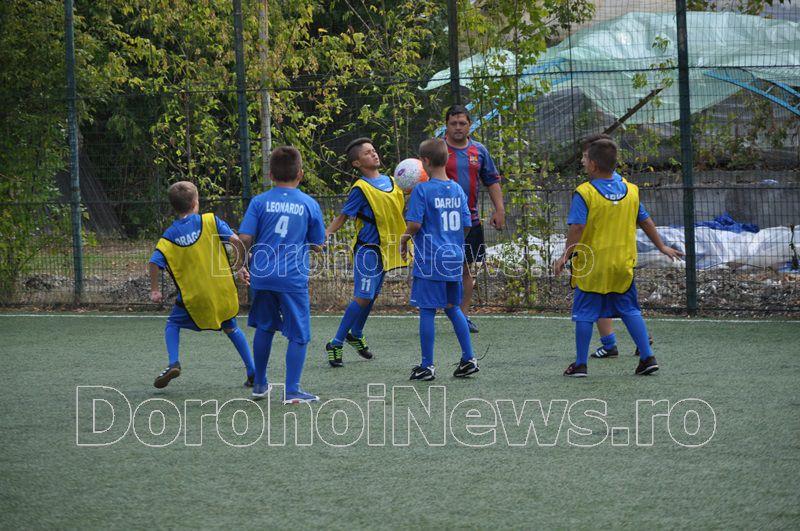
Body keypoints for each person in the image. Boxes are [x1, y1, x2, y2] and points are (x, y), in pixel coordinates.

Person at [553, 138, 684, 377]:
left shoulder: (585, 192)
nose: (582, 161)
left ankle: (580, 364)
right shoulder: (631, 190)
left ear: (593, 164)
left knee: (584, 313)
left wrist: (565, 256)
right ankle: (647, 357)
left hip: (592, 266)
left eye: (585, 158)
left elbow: (577, 228)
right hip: (622, 264)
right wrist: (662, 246)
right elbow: (645, 220)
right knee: (630, 309)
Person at [238, 146, 326, 404]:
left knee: (265, 327)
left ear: (270, 174)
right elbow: (318, 244)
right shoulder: (309, 203)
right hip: (291, 277)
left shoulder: (259, 201)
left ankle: (260, 384)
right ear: (300, 174)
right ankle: (292, 390)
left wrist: (241, 264)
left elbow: (244, 237)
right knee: (299, 334)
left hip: (262, 276)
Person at [148, 181, 254, 389]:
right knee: (231, 327)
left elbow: (154, 262)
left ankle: (174, 362)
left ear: (174, 207)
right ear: (196, 202)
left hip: (194, 298)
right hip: (221, 292)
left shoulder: (168, 236)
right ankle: (253, 372)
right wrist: (241, 266)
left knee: (173, 324)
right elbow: (236, 242)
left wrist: (154, 289)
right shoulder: (211, 221)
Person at [324, 138, 409, 367]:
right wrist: (327, 234)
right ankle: (336, 342)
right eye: (367, 153)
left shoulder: (394, 182)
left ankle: (356, 333)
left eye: (374, 150)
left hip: (386, 249)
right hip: (367, 250)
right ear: (356, 163)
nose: (374, 154)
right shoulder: (360, 189)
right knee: (362, 296)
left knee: (370, 296)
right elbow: (343, 216)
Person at [400, 138, 478, 381]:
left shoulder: (422, 190)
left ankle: (427, 365)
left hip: (431, 258)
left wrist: (403, 239)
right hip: (453, 257)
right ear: (447, 159)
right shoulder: (457, 189)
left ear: (424, 161)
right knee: (453, 307)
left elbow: (415, 224)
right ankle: (469, 359)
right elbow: (467, 225)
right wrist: (452, 241)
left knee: (427, 310)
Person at [443, 105, 505, 333]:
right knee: (441, 270)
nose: (458, 127)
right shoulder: (437, 149)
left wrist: (500, 210)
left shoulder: (479, 150)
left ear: (469, 125)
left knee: (467, 270)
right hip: (441, 224)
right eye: (453, 123)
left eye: (462, 123)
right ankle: (437, 310)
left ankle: (462, 316)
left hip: (470, 222)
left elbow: (492, 180)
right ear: (446, 125)